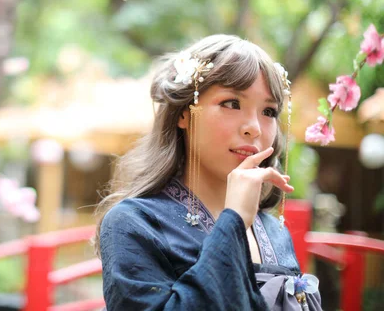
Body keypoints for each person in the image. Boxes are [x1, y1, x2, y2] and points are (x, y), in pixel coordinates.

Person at [95, 35, 322, 310]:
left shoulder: (274, 230)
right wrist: (234, 221)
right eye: (231, 104)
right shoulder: (135, 223)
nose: (255, 128)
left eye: (269, 111)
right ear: (184, 114)